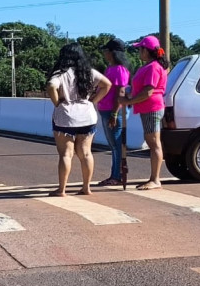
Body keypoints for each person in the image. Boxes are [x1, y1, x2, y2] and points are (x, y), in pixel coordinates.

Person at [46, 43, 112, 196]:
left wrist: (57, 102)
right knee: (86, 153)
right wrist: (93, 100)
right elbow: (107, 84)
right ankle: (86, 187)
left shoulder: (60, 73)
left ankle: (62, 189)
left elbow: (51, 86)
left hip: (66, 117)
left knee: (66, 154)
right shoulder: (88, 72)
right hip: (87, 116)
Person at [120, 35, 168, 191]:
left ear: (147, 51)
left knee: (154, 143)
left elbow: (148, 91)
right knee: (152, 142)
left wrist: (128, 102)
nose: (139, 52)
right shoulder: (148, 66)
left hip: (152, 107)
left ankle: (155, 179)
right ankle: (154, 178)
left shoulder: (153, 67)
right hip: (148, 108)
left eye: (140, 49)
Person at [96, 38, 131, 187]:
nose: (104, 53)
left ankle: (116, 175)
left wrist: (114, 114)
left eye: (106, 51)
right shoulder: (111, 68)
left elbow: (120, 92)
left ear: (113, 52)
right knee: (113, 145)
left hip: (113, 110)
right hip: (106, 109)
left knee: (116, 145)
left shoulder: (119, 70)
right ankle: (115, 174)